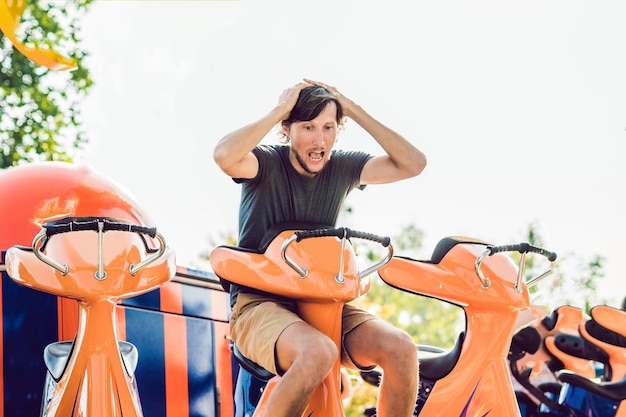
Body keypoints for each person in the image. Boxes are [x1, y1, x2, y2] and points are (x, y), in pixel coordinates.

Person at [213, 78, 426, 417]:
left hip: (324, 305)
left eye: (328, 127)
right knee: (317, 353)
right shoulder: (265, 163)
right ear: (288, 129)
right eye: (308, 127)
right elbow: (224, 156)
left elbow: (413, 164)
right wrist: (280, 109)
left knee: (401, 348)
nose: (319, 138)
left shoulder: (342, 167)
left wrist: (350, 108)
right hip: (258, 304)